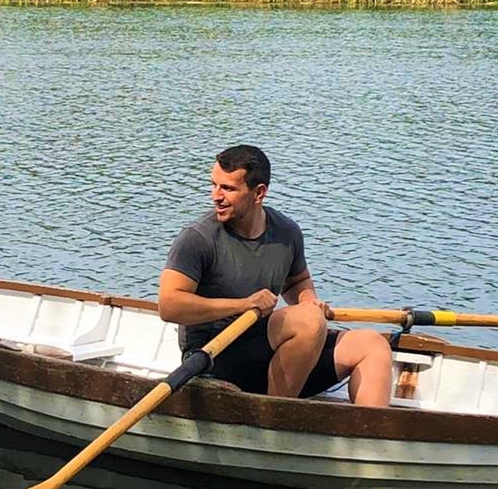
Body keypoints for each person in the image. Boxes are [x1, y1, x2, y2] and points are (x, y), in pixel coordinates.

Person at [157, 144, 393, 407]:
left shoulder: (286, 233)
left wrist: (309, 300)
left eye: (228, 189)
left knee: (373, 345)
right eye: (214, 185)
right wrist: (244, 304)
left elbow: (297, 281)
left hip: (270, 351)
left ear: (259, 193)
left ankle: (368, 441)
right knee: (307, 323)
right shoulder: (198, 238)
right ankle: (273, 417)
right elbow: (170, 305)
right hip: (214, 358)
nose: (216, 196)